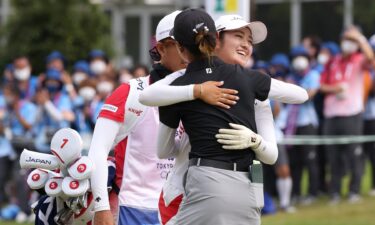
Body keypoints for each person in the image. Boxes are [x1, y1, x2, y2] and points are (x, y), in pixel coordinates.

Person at [140, 14, 307, 222]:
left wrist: (254, 140)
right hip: (186, 190)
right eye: (238, 36)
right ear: (215, 40)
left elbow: (270, 154)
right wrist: (199, 90)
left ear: (182, 48)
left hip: (238, 184)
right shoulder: (182, 81)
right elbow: (147, 96)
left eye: (249, 40)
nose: (246, 45)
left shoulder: (254, 86)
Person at [87, 11, 235, 225]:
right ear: (161, 48)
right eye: (180, 44)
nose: (190, 50)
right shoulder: (132, 92)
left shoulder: (211, 90)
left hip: (191, 208)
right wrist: (101, 208)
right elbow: (97, 151)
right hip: (138, 211)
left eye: (195, 42)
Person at [320, 27, 375, 204]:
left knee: (354, 153)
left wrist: (360, 38)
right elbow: (321, 85)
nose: (348, 42)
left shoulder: (360, 60)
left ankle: (354, 191)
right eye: (346, 38)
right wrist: (334, 88)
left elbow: (372, 61)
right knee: (333, 155)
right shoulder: (332, 61)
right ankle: (335, 192)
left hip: (352, 113)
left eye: (351, 40)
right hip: (331, 114)